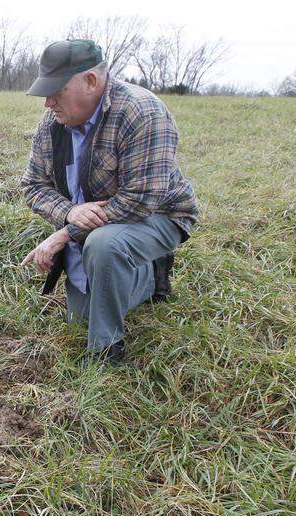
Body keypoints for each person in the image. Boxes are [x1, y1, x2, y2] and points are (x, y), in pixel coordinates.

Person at [19, 39, 200, 366]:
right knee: (84, 315)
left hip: (158, 216)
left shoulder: (141, 112)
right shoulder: (54, 123)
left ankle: (106, 352)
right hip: (91, 225)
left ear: (91, 81)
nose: (48, 102)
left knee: (104, 246)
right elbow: (33, 185)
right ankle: (147, 276)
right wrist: (71, 211)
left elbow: (140, 201)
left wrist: (65, 233)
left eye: (56, 91)